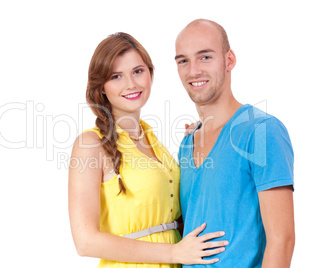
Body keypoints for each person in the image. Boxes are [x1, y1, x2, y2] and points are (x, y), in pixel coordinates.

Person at [69, 32, 229, 267]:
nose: (131, 84)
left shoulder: (156, 144)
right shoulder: (91, 145)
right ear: (101, 86)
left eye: (138, 71)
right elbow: (85, 242)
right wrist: (173, 254)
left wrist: (198, 140)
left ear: (150, 74)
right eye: (116, 76)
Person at [175, 19, 295, 267]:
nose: (193, 70)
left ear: (229, 60)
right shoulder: (186, 145)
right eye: (183, 60)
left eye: (205, 57)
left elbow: (282, 239)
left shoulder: (261, 131)